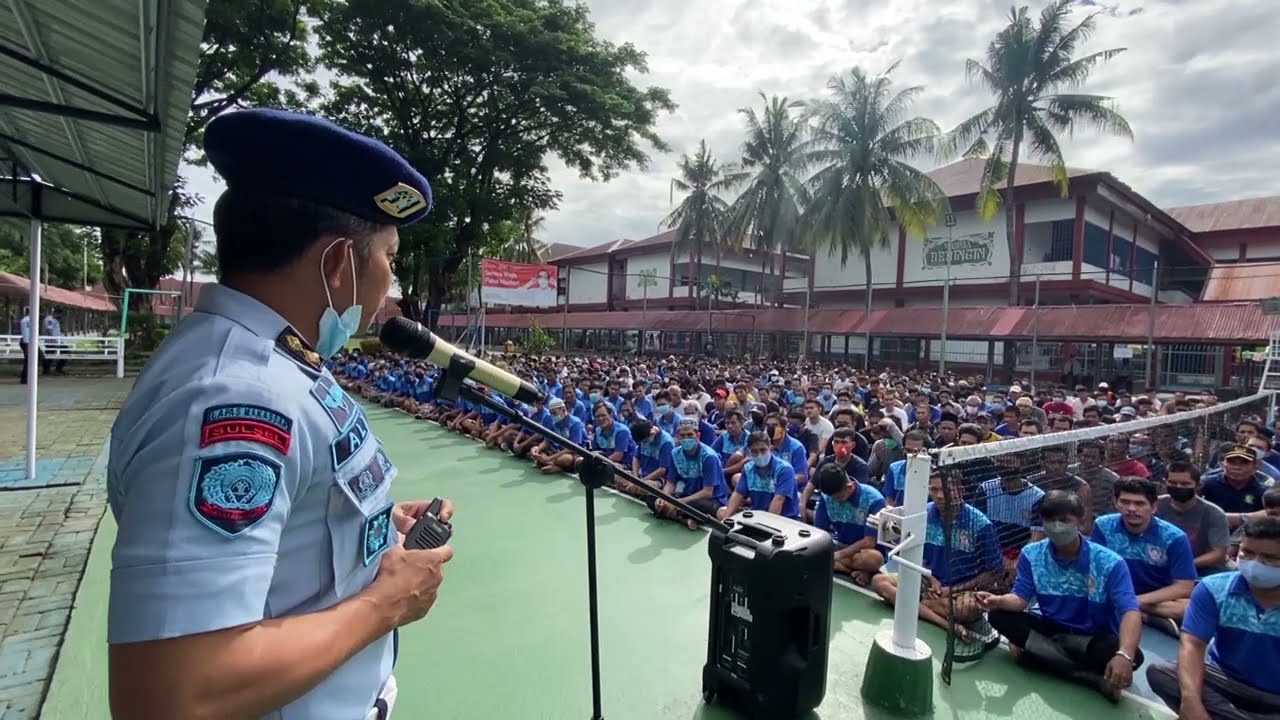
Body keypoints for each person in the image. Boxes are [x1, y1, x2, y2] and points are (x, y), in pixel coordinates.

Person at [105, 109, 454, 720]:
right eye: (389, 258)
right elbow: (175, 692)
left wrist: (365, 521)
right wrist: (387, 604)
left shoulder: (274, 360)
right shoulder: (239, 395)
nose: (391, 286)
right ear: (338, 262)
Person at [976, 491, 1143, 702]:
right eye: (1050, 520)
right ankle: (1088, 677)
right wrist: (997, 600)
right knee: (998, 615)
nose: (1056, 526)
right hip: (1051, 629)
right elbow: (1020, 599)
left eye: (1064, 520)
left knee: (1132, 656)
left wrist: (1124, 654)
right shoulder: (1031, 554)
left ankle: (1037, 658)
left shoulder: (1110, 562)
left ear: (1081, 521)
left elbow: (1130, 611)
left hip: (1092, 637)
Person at [1146, 516, 1280, 719]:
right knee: (1163, 674)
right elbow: (1192, 644)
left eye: (1269, 558)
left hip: (1275, 696)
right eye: (1248, 553)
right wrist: (1191, 702)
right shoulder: (1214, 589)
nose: (1255, 563)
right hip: (1224, 681)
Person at [1090, 478, 1198, 635]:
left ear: (1153, 507)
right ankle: (1147, 617)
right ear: (1115, 502)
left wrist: (1135, 600)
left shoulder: (1175, 538)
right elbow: (1097, 571)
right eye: (1125, 502)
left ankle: (1138, 612)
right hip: (1116, 592)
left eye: (1139, 504)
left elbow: (1184, 587)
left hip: (1156, 598)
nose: (1131, 509)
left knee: (1189, 608)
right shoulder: (1102, 525)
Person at [811, 462, 885, 585]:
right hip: (840, 544)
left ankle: (837, 565)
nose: (835, 502)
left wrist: (838, 555)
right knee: (814, 552)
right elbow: (819, 531)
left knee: (874, 559)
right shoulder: (827, 496)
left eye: (839, 498)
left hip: (864, 551)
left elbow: (869, 542)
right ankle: (855, 571)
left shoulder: (874, 499)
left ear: (849, 487)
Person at [651, 417, 728, 529]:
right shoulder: (675, 454)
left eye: (690, 435)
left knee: (690, 506)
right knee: (652, 498)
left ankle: (674, 513)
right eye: (682, 435)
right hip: (687, 495)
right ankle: (683, 519)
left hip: (711, 500)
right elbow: (671, 483)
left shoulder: (708, 457)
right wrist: (664, 498)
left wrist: (680, 502)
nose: (686, 438)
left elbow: (708, 492)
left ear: (698, 436)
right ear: (677, 437)